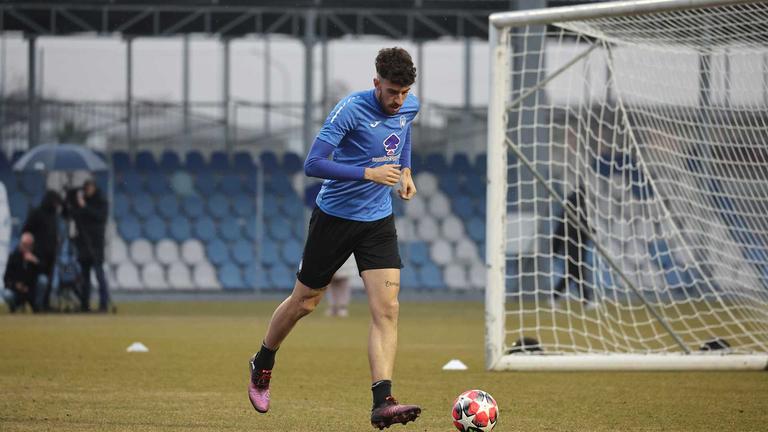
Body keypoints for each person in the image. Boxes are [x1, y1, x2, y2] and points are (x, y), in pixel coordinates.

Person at [248, 47, 421, 429]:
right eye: (392, 91)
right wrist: (368, 174)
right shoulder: (350, 110)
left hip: (377, 221)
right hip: (335, 218)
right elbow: (313, 164)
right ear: (376, 83)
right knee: (304, 302)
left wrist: (405, 171)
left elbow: (404, 132)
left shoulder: (409, 105)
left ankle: (382, 401)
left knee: (387, 308)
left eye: (405, 92)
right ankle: (263, 362)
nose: (399, 100)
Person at [551, 183, 595, 308]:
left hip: (573, 247)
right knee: (576, 273)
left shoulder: (570, 209)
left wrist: (556, 248)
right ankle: (585, 301)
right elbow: (581, 226)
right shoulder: (576, 210)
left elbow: (560, 230)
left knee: (572, 274)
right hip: (574, 247)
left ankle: (555, 297)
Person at [72, 179, 110, 312]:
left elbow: (100, 217)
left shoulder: (101, 201)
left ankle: (104, 304)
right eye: (86, 188)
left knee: (99, 275)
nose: (87, 190)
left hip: (96, 245)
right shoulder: (81, 202)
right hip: (83, 244)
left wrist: (84, 207)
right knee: (85, 278)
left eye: (89, 188)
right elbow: (74, 217)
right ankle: (84, 304)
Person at [22, 190, 62, 311]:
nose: (56, 205)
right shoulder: (37, 213)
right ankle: (36, 304)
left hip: (51, 253)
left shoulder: (54, 215)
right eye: (55, 202)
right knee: (39, 279)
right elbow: (26, 230)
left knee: (48, 280)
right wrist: (29, 248)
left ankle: (45, 303)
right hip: (38, 253)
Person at [2, 232, 47, 312]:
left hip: (31, 290)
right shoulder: (14, 256)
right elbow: (6, 277)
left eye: (29, 245)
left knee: (43, 280)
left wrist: (35, 261)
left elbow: (45, 270)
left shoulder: (36, 254)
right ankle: (13, 307)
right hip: (17, 291)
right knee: (6, 293)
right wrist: (16, 285)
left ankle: (37, 308)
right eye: (24, 244)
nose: (26, 247)